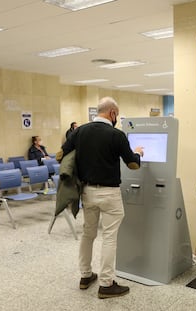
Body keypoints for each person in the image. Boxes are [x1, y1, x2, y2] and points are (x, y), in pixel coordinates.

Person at [60, 96, 144, 299]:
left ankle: (86, 276)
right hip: (109, 194)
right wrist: (137, 153)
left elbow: (59, 155)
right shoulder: (117, 135)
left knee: (88, 234)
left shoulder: (79, 131)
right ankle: (106, 284)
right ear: (113, 113)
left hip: (87, 192)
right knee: (109, 237)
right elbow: (133, 164)